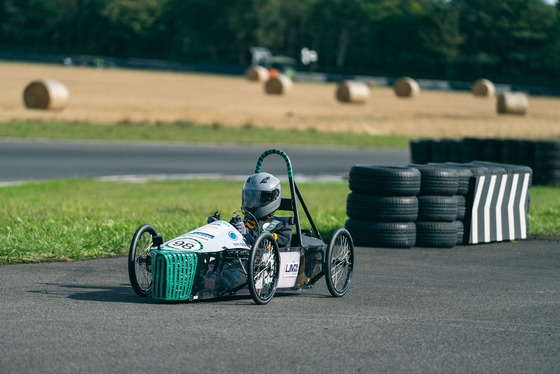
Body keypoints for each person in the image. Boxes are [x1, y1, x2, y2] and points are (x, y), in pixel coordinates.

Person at [208, 172, 293, 248]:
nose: (252, 203)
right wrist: (219, 226)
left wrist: (247, 233)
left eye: (256, 199)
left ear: (271, 198)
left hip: (263, 263)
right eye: (249, 198)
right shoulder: (244, 222)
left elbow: (267, 243)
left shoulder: (283, 229)